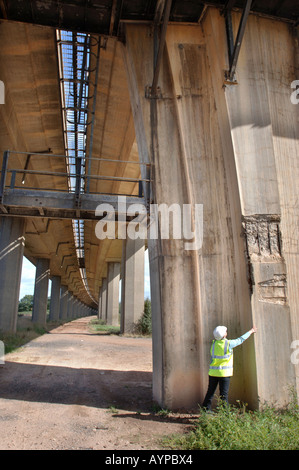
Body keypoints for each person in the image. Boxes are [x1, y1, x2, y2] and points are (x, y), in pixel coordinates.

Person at [201, 325, 257, 411]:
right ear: (224, 335)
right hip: (224, 374)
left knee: (210, 392)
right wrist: (251, 331)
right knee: (223, 395)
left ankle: (205, 409)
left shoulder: (214, 344)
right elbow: (240, 339)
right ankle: (225, 413)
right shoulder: (228, 344)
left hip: (213, 373)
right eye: (225, 332)